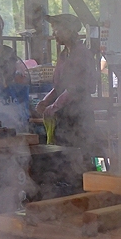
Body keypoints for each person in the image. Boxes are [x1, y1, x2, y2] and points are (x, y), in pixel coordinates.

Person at [35, 14, 98, 151]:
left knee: (80, 155)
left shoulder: (81, 54)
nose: (53, 34)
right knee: (63, 155)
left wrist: (53, 107)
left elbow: (75, 88)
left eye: (56, 30)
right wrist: (45, 101)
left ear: (69, 31)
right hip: (64, 115)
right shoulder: (64, 54)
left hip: (79, 116)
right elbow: (59, 86)